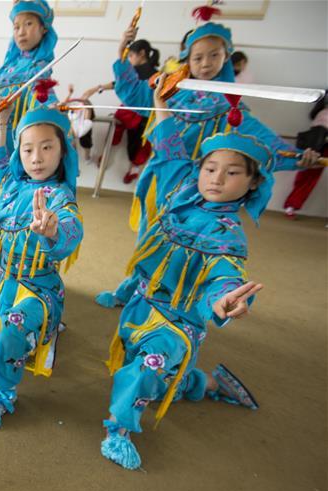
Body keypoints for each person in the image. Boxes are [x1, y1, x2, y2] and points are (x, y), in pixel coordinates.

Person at [101, 79, 270, 471]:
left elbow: (226, 276)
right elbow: (168, 141)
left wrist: (227, 300)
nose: (215, 178)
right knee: (155, 376)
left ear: (252, 182)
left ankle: (119, 431)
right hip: (143, 306)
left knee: (149, 369)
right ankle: (207, 384)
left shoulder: (228, 234)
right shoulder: (181, 189)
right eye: (210, 168)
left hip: (178, 321)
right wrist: (160, 100)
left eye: (231, 173)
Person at [96, 15, 321, 309]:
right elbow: (133, 91)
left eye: (214, 55)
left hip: (202, 188)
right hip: (164, 176)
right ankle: (134, 285)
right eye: (198, 56)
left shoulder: (232, 105)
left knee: (182, 242)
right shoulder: (172, 91)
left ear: (226, 56)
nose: (205, 63)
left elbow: (263, 143)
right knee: (150, 234)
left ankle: (171, 294)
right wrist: (122, 53)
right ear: (187, 57)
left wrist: (299, 159)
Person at [0, 106, 83, 429]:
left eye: (47, 147)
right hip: (7, 283)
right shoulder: (9, 186)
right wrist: (3, 124)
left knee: (8, 331)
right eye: (28, 149)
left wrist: (54, 231)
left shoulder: (60, 196)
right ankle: (42, 332)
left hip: (40, 288)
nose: (36, 158)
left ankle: (2, 393)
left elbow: (72, 226)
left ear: (62, 152)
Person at [0, 0, 60, 167]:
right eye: (16, 27)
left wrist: (49, 107)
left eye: (28, 24)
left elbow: (42, 95)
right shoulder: (8, 67)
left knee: (14, 187)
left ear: (43, 28)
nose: (21, 32)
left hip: (20, 141)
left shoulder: (39, 66)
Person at [83, 38, 160, 183]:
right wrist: (96, 88)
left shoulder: (149, 74)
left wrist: (96, 88)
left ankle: (130, 165)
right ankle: (130, 165)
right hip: (133, 115)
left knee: (137, 143)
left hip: (141, 116)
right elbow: (118, 83)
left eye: (131, 56)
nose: (129, 59)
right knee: (132, 141)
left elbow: (118, 83)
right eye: (128, 56)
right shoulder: (149, 73)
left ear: (141, 54)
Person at [283, 92, 328, 218]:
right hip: (318, 149)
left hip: (316, 148)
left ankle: (291, 206)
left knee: (306, 176)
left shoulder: (320, 113)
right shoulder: (324, 113)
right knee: (307, 176)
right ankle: (291, 206)